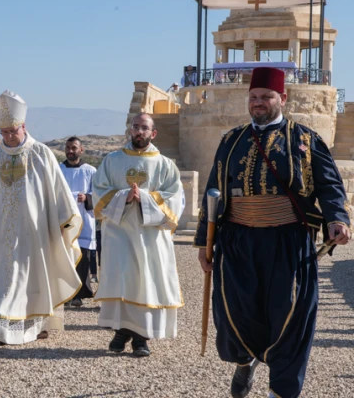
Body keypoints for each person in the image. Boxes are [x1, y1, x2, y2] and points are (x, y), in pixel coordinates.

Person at [194, 67, 352, 398]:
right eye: (253, 97)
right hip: (236, 241)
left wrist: (337, 218)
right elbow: (213, 191)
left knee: (291, 317)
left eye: (266, 97)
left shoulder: (306, 140)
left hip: (288, 241)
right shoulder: (230, 140)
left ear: (283, 98)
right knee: (236, 312)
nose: (258, 103)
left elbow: (329, 185)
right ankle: (244, 361)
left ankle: (280, 391)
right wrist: (203, 243)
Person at [0, 90, 82, 346]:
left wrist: (64, 224)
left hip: (34, 232)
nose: (9, 136)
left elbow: (58, 193)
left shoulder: (42, 154)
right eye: (4, 132)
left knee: (32, 279)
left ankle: (35, 325)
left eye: (13, 131)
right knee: (1, 279)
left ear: (24, 126)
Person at [92, 113, 184, 357]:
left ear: (153, 133)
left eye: (145, 128)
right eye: (136, 127)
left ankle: (141, 338)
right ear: (129, 131)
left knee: (146, 281)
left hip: (150, 236)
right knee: (123, 279)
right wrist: (123, 196)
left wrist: (144, 197)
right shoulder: (112, 160)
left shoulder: (165, 164)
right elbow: (98, 191)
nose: (139, 132)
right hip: (119, 234)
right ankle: (121, 331)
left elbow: (175, 198)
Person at [59, 137, 97, 307]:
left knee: (82, 258)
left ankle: (79, 294)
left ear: (81, 150)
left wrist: (87, 197)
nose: (70, 151)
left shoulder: (90, 171)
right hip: (63, 222)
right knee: (64, 257)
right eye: (68, 147)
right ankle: (64, 294)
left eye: (74, 147)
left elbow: (99, 195)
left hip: (84, 221)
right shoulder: (58, 170)